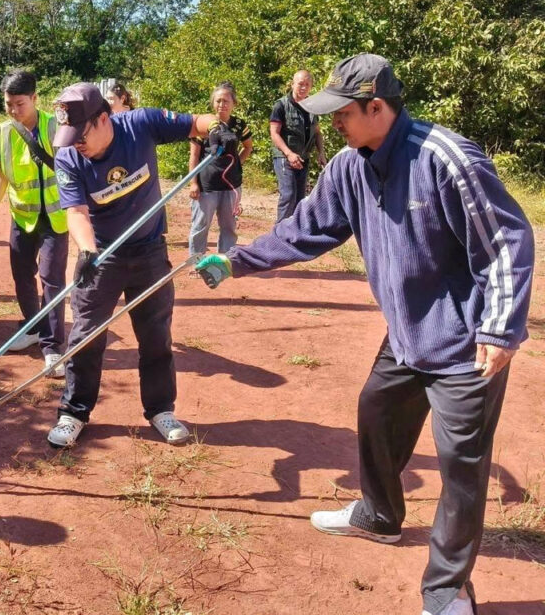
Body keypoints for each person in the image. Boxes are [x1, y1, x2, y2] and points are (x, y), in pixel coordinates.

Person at [196, 54, 534, 615]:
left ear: (377, 108)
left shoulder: (445, 159)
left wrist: (500, 330)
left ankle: (447, 592)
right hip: (406, 335)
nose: (335, 125)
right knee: (376, 413)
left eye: (344, 114)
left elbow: (507, 243)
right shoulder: (351, 166)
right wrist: (236, 260)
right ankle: (379, 516)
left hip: (466, 344)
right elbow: (308, 229)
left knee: (460, 469)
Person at [48, 83, 223, 448]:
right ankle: (74, 412)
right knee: (86, 335)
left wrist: (217, 129)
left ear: (103, 118)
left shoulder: (140, 124)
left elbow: (197, 124)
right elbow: (76, 211)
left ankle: (161, 409)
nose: (76, 142)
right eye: (70, 136)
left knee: (155, 335)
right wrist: (85, 252)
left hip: (149, 252)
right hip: (102, 255)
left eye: (82, 134)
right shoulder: (67, 155)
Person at [0, 70, 68, 377]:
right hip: (22, 216)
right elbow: (1, 175)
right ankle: (32, 326)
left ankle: (54, 347)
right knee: (22, 276)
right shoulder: (3, 132)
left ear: (34, 99)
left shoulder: (57, 126)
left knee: (52, 279)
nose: (14, 110)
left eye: (20, 104)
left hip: (56, 217)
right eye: (8, 104)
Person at [188, 81, 253, 254]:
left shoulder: (239, 124)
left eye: (226, 101)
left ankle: (226, 261)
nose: (221, 105)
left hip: (231, 185)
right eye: (218, 101)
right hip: (206, 185)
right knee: (201, 225)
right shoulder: (203, 124)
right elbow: (194, 156)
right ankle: (197, 262)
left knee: (229, 226)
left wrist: (237, 163)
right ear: (212, 103)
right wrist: (193, 183)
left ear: (234, 103)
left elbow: (248, 146)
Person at [270, 69, 326, 221]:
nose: (303, 87)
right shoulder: (281, 105)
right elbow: (274, 133)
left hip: (303, 158)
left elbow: (317, 133)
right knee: (288, 195)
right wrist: (289, 154)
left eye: (307, 84)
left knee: (300, 199)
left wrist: (321, 153)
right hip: (284, 157)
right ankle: (279, 236)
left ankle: (294, 235)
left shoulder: (312, 107)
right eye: (300, 84)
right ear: (293, 84)